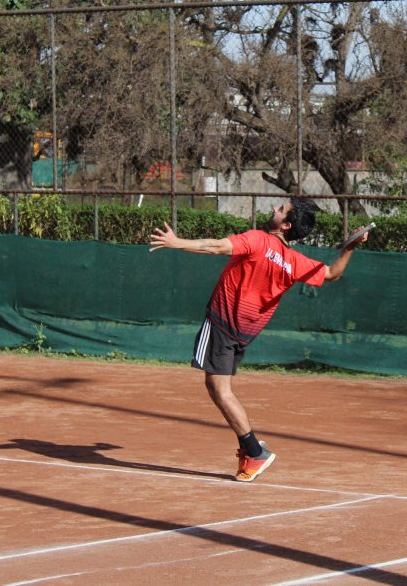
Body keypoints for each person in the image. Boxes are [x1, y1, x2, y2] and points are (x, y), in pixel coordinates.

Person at [149, 198, 369, 482]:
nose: (275, 209)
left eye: (281, 210)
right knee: (219, 388)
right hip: (245, 331)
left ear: (286, 225)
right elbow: (332, 274)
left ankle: (254, 451)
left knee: (219, 390)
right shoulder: (294, 261)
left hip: (223, 323)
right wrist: (350, 247)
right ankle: (251, 448)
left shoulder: (258, 239)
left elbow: (216, 246)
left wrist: (175, 242)